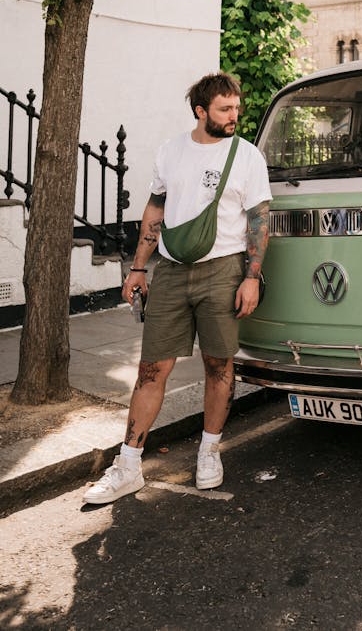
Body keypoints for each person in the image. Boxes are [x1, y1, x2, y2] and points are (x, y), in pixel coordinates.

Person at [83, 72, 271, 504]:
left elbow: (260, 218)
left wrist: (251, 276)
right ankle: (128, 465)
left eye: (237, 108)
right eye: (225, 109)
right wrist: (138, 269)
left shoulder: (246, 156)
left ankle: (209, 451)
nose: (234, 116)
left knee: (219, 366)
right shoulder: (171, 151)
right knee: (152, 369)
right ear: (201, 111)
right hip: (169, 270)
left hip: (224, 269)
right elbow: (155, 208)